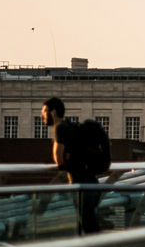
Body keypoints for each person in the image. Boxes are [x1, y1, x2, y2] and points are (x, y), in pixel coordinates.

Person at [43, 97, 108, 234]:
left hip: (81, 186)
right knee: (89, 227)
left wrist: (65, 157)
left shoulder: (60, 128)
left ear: (53, 112)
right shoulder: (71, 127)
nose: (42, 115)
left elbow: (58, 160)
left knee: (89, 228)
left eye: (44, 111)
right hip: (93, 183)